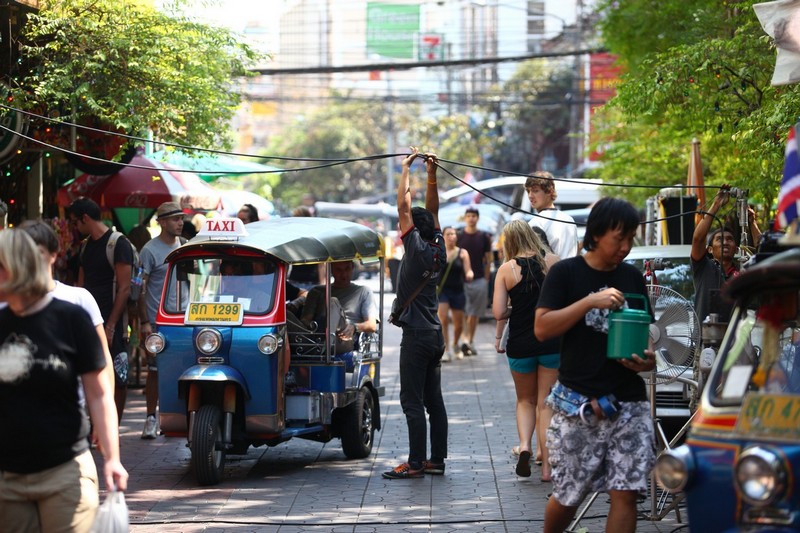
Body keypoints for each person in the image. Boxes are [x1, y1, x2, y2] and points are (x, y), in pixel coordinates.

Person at [534, 197, 657, 533]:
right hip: (579, 405)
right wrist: (589, 301)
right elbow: (542, 328)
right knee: (569, 494)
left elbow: (644, 334)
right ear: (598, 234)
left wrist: (646, 359)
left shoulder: (632, 277)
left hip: (629, 404)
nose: (626, 247)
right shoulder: (566, 273)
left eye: (631, 238)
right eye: (620, 238)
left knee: (626, 494)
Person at [0, 229, 128, 532]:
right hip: (7, 476)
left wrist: (112, 457)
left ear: (15, 267)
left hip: (65, 469)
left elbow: (98, 394)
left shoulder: (71, 317)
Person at [383, 147, 448, 480]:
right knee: (433, 400)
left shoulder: (417, 249)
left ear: (410, 231)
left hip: (419, 336)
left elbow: (403, 206)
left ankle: (416, 462)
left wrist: (406, 168)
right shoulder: (438, 246)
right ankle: (436, 459)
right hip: (436, 334)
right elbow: (431, 211)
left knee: (411, 400)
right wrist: (432, 173)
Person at [18, 220, 116, 416]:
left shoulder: (79, 299)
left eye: (37, 252)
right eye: (22, 252)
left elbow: (103, 361)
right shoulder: (6, 305)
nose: (30, 260)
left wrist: (103, 415)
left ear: (53, 254)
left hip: (70, 421)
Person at [492, 220, 560, 480]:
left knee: (525, 400)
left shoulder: (506, 270)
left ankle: (524, 446)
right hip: (552, 340)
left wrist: (516, 309)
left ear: (509, 241)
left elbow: (498, 312)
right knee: (546, 402)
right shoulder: (553, 261)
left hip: (520, 343)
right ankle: (546, 468)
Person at [69, 197, 134, 423]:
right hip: (89, 322)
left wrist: (111, 325)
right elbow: (81, 284)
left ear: (85, 218)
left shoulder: (118, 244)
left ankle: (113, 425)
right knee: (90, 371)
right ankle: (98, 422)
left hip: (112, 323)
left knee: (119, 375)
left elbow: (125, 288)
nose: (75, 228)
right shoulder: (86, 246)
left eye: (75, 222)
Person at [138, 202, 185, 439]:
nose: (180, 222)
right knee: (155, 370)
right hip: (158, 321)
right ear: (162, 222)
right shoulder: (149, 250)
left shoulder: (185, 245)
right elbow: (139, 286)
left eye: (181, 218)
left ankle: (181, 417)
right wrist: (144, 321)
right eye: (175, 219)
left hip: (184, 320)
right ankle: (150, 418)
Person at [691, 185, 761, 323]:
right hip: (705, 340)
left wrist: (752, 222)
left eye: (730, 239)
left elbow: (764, 252)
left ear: (736, 249)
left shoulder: (743, 270)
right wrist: (716, 204)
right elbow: (698, 239)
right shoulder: (703, 267)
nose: (725, 242)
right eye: (719, 239)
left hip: (736, 342)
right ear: (709, 250)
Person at [301, 260, 378, 342]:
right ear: (331, 271)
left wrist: (354, 327)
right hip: (319, 334)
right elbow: (305, 320)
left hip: (345, 338)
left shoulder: (364, 291)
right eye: (338, 270)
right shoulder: (317, 291)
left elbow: (372, 325)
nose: (344, 274)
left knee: (333, 302)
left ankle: (326, 346)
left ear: (352, 268)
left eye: (347, 269)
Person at [456, 205, 493, 356]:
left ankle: (470, 340)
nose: (471, 218)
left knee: (475, 313)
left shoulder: (484, 236)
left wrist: (486, 278)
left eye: (474, 216)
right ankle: (464, 340)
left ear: (477, 218)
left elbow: (489, 259)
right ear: (465, 218)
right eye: (469, 215)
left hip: (479, 279)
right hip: (461, 280)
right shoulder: (458, 235)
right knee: (464, 311)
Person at [437, 226, 473, 362]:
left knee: (458, 325)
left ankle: (455, 344)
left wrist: (470, 274)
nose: (451, 236)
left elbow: (468, 269)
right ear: (443, 236)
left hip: (458, 291)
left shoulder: (462, 253)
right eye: (448, 234)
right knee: (443, 319)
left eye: (453, 234)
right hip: (443, 291)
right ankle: (445, 349)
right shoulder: (439, 252)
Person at [526, 171, 579, 260]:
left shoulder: (536, 222)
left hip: (551, 273)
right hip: (571, 272)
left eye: (535, 191)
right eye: (528, 191)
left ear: (550, 191)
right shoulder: (569, 219)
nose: (530, 196)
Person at [288, 206, 325, 289]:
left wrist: (323, 283)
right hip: (301, 282)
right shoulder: (315, 237)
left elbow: (321, 264)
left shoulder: (314, 238)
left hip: (305, 282)